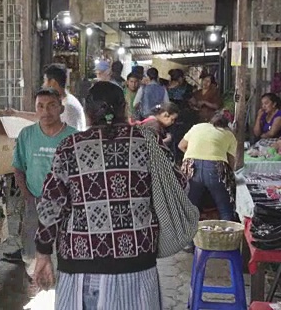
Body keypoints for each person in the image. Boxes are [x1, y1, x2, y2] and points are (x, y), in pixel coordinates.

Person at [33, 81, 188, 310]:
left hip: (79, 267)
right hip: (135, 266)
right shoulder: (147, 141)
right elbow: (177, 187)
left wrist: (43, 253)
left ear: (87, 112)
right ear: (124, 108)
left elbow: (51, 204)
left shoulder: (70, 146)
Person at [12, 88, 77, 294]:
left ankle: (64, 287)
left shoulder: (73, 137)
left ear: (61, 108)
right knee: (31, 245)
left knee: (64, 246)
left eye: (51, 106)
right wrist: (28, 197)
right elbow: (18, 167)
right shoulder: (27, 135)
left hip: (66, 205)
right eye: (40, 106)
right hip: (35, 199)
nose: (45, 111)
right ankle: (35, 281)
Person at [179, 112, 238, 221]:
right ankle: (227, 235)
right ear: (226, 125)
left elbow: (181, 146)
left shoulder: (197, 127)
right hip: (216, 168)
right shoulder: (229, 134)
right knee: (225, 208)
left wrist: (193, 154)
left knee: (190, 207)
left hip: (192, 167)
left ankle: (187, 237)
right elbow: (231, 161)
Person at [43, 63, 86, 131]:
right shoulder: (65, 101)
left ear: (53, 82)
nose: (43, 85)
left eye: (45, 81)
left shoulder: (67, 106)